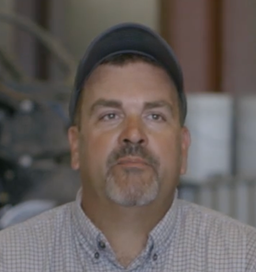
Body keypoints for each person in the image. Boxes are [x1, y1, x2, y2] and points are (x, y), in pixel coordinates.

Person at [0, 23, 256, 272]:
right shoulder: (9, 259)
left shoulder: (244, 258)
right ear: (76, 145)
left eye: (154, 116)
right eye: (110, 115)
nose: (133, 134)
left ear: (183, 147)